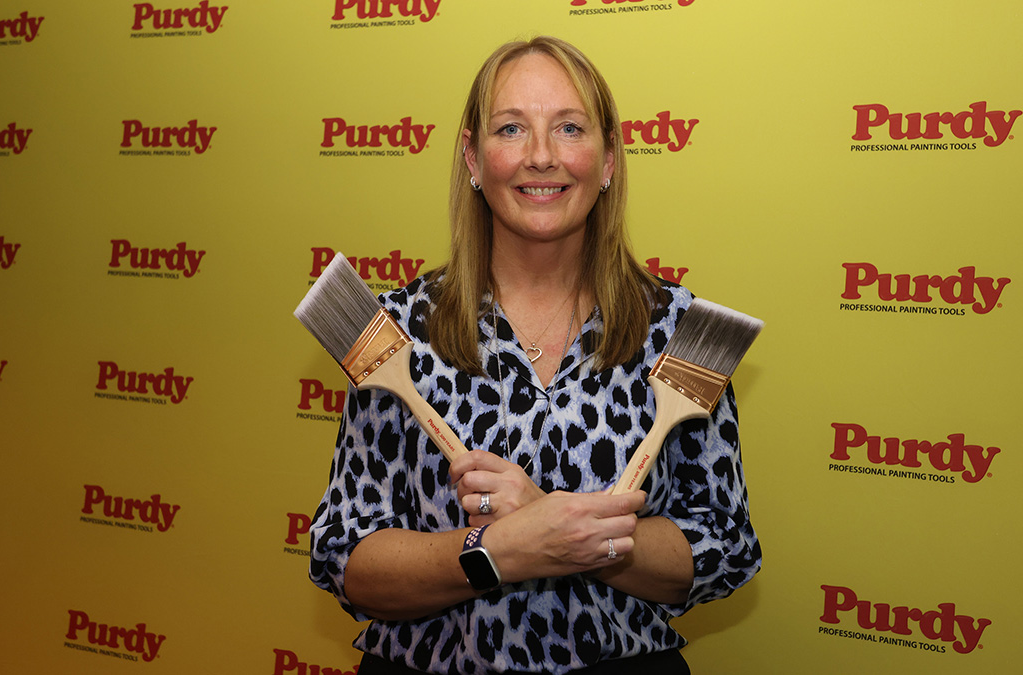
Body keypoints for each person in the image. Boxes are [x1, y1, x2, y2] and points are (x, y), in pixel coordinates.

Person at [309, 35, 761, 675]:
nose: (542, 157)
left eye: (570, 128)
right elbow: (346, 560)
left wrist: (553, 522)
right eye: (512, 129)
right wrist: (493, 550)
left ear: (608, 159)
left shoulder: (678, 330)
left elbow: (725, 548)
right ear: (473, 156)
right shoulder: (396, 329)